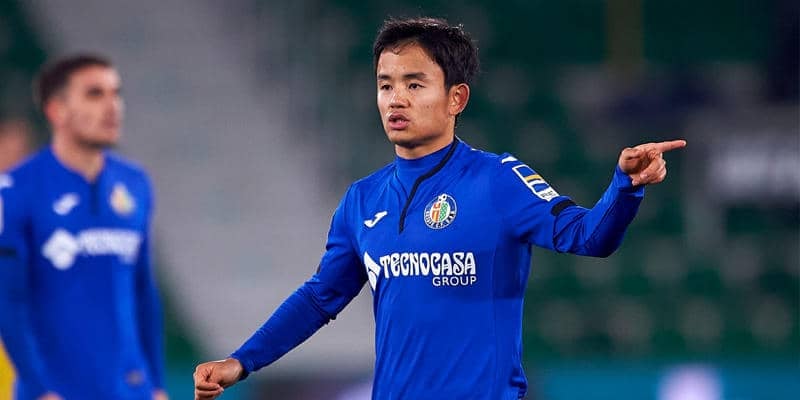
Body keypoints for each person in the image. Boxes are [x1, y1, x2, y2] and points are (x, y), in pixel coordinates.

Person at [193, 17, 686, 400]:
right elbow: (321, 297)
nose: (396, 99)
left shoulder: (497, 180)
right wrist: (243, 362)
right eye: (385, 85)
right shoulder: (362, 200)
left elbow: (588, 237)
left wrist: (625, 187)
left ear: (456, 98)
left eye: (414, 84)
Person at [0, 54, 168, 400]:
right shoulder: (16, 190)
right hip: (57, 392)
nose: (112, 106)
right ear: (57, 110)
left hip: (130, 389)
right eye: (95, 94)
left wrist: (156, 385)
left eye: (116, 93)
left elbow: (143, 291)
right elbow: (8, 300)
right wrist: (38, 388)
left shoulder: (135, 183)